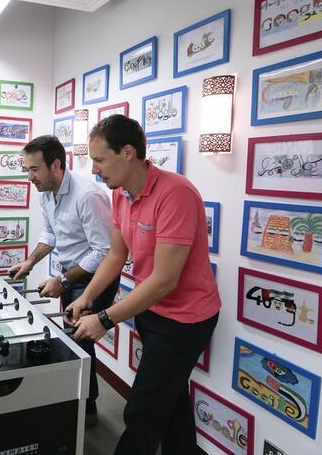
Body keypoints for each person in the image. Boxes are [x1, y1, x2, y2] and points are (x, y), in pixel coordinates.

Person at [66, 115, 221, 455]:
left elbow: (165, 281)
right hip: (152, 312)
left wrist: (105, 319)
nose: (94, 170)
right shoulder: (121, 195)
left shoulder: (175, 193)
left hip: (185, 320)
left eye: (100, 159)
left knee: (142, 412)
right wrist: (88, 298)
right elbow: (115, 255)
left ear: (128, 153)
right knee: (172, 403)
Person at [8, 135, 117, 426]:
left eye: (34, 169)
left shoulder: (87, 195)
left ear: (56, 165)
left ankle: (86, 410)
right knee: (77, 340)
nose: (29, 177)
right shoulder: (45, 192)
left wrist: (64, 281)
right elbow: (51, 234)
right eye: (27, 170)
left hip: (96, 275)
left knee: (78, 339)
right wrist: (30, 262)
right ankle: (82, 404)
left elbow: (103, 251)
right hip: (71, 273)